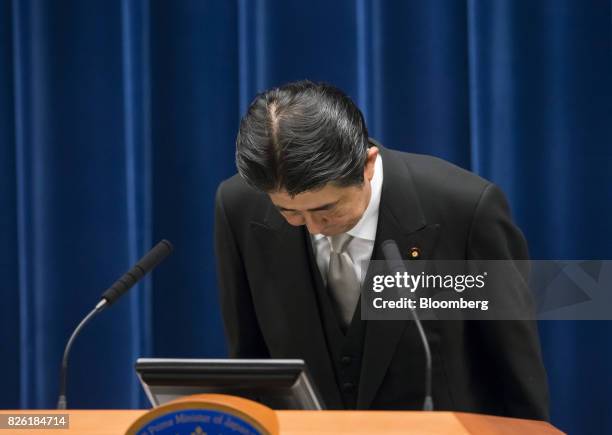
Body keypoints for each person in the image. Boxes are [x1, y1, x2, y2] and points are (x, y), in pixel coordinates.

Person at [214, 80, 549, 419]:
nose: (312, 227)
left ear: (367, 164)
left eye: (326, 209)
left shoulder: (464, 210)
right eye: (289, 212)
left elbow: (515, 369)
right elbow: (249, 362)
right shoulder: (239, 207)